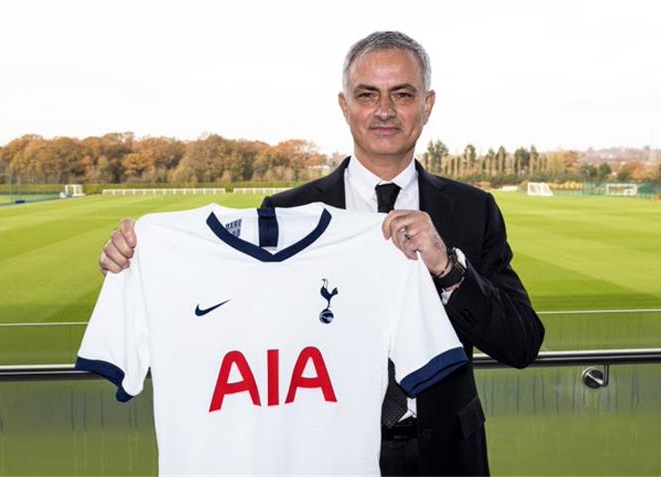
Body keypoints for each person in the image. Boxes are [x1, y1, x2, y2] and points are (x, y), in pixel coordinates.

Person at [99, 31, 544, 477]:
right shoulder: (285, 213)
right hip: (322, 456)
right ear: (344, 106)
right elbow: (233, 316)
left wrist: (447, 267)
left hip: (448, 457)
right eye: (367, 95)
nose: (384, 110)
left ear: (427, 105)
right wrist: (137, 266)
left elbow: (521, 342)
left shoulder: (472, 209)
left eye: (402, 94)